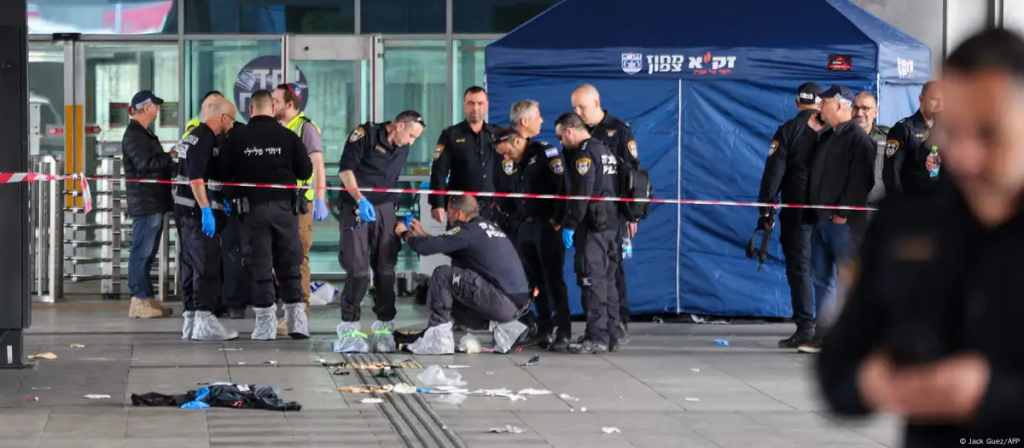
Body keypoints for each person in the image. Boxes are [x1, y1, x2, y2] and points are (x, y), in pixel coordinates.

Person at [818, 28, 1024, 446]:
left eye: (987, 133)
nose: (965, 156)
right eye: (954, 131)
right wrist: (870, 383)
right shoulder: (907, 223)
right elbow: (837, 366)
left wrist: (990, 394)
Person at [220, 90, 313, 340]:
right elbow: (305, 169)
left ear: (250, 110)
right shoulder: (289, 135)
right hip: (285, 210)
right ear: (272, 108)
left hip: (252, 211)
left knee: (260, 265)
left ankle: (265, 327)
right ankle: (297, 323)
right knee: (289, 264)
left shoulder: (237, 136)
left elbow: (222, 171)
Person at [333, 111, 426, 353]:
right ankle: (349, 330)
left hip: (386, 209)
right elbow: (345, 170)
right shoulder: (365, 135)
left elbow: (392, 179)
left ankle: (384, 329)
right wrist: (360, 199)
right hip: (356, 206)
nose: (412, 142)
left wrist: (402, 209)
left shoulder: (403, 147)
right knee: (358, 271)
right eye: (411, 135)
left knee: (385, 271)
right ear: (399, 126)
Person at [396, 196, 532, 355]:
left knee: (443, 275)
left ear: (459, 214)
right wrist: (423, 234)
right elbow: (447, 245)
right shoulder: (487, 227)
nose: (448, 218)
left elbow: (425, 249)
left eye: (450, 213)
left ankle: (438, 339)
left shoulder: (467, 231)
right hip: (516, 304)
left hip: (502, 301)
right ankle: (508, 328)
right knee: (455, 291)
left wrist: (404, 233)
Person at [800, 86, 875, 354]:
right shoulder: (829, 136)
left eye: (825, 104)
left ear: (841, 106)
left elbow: (862, 180)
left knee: (847, 281)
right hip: (821, 219)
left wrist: (842, 212)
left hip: (843, 223)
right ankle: (824, 335)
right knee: (821, 278)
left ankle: (853, 337)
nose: (820, 108)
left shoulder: (857, 138)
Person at [756, 82, 823, 348]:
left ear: (797, 104)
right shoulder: (833, 130)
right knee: (831, 271)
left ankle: (806, 327)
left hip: (797, 212)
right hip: (831, 213)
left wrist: (766, 210)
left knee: (800, 269)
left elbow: (773, 176)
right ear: (820, 104)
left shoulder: (787, 131)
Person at [570, 84, 639, 342]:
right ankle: (603, 325)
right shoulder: (579, 131)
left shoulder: (619, 130)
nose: (577, 111)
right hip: (587, 214)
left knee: (613, 269)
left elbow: (633, 174)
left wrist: (632, 213)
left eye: (581, 107)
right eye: (574, 107)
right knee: (593, 271)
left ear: (596, 103)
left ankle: (618, 320)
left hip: (614, 212)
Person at [493, 125, 571, 351]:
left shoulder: (545, 153)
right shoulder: (517, 162)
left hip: (547, 227)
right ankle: (544, 328)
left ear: (517, 141)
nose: (505, 157)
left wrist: (558, 219)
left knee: (553, 279)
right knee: (534, 282)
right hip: (525, 227)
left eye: (507, 152)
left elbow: (563, 186)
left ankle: (563, 330)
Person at [556, 113, 622, 355]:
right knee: (607, 283)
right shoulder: (605, 149)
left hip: (593, 227)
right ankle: (611, 334)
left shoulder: (584, 154)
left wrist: (571, 224)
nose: (561, 142)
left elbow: (582, 193)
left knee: (591, 281)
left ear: (570, 132)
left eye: (561, 137)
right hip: (611, 225)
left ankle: (597, 337)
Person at [175, 97, 239, 341]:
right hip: (194, 213)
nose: (232, 126)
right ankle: (204, 321)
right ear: (223, 117)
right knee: (206, 266)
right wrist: (206, 210)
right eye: (232, 120)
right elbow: (196, 179)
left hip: (183, 210)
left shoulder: (191, 135)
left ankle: (191, 320)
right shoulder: (205, 139)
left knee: (190, 266)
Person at [273, 83, 327, 331]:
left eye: (276, 101)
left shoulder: (305, 128)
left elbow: (317, 163)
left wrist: (319, 198)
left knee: (297, 258)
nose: (272, 104)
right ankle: (289, 310)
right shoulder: (282, 127)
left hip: (300, 203)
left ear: (290, 104)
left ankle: (299, 313)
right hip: (282, 202)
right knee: (281, 258)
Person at [122, 90, 176, 319]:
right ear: (146, 108)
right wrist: (171, 156)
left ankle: (147, 298)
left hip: (153, 200)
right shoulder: (135, 135)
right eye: (156, 105)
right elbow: (146, 165)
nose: (158, 109)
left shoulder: (144, 134)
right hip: (146, 202)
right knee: (141, 252)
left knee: (148, 252)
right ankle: (138, 300)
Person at [429, 86, 501, 224]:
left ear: (486, 105)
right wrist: (437, 203)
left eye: (480, 103)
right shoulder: (450, 135)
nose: (475, 108)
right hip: (460, 208)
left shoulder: (497, 134)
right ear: (464, 105)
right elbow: (439, 171)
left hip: (493, 207)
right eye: (471, 103)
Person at [882, 80, 943, 201]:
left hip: (939, 205)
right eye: (935, 99)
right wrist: (898, 207)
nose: (940, 105)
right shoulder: (903, 129)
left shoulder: (947, 130)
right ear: (922, 99)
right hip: (911, 202)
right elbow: (892, 173)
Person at [853, 91, 890, 226]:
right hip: (848, 212)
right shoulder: (840, 138)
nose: (859, 113)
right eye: (856, 108)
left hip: (879, 212)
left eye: (865, 108)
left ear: (875, 112)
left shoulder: (888, 138)